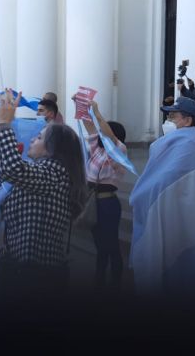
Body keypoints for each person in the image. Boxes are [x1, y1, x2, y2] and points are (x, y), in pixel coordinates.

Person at [129, 97, 195, 295]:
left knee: (181, 255)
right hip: (172, 206)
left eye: (173, 116)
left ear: (188, 121)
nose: (168, 121)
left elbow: (166, 179)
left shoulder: (189, 145)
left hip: (179, 208)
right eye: (168, 116)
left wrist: (143, 193)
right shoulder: (175, 143)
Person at [0, 89, 86, 296]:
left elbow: (13, 170)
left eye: (40, 137)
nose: (34, 139)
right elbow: (12, 175)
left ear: (53, 147)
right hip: (21, 269)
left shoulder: (55, 172)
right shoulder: (48, 172)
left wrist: (3, 124)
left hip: (34, 276)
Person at [75, 97, 128, 290]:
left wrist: (97, 113)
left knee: (111, 245)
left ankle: (114, 283)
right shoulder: (97, 150)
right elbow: (91, 129)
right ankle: (99, 280)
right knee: (100, 246)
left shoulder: (120, 151)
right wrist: (82, 108)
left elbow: (110, 137)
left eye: (105, 133)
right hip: (93, 202)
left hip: (108, 204)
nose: (100, 135)